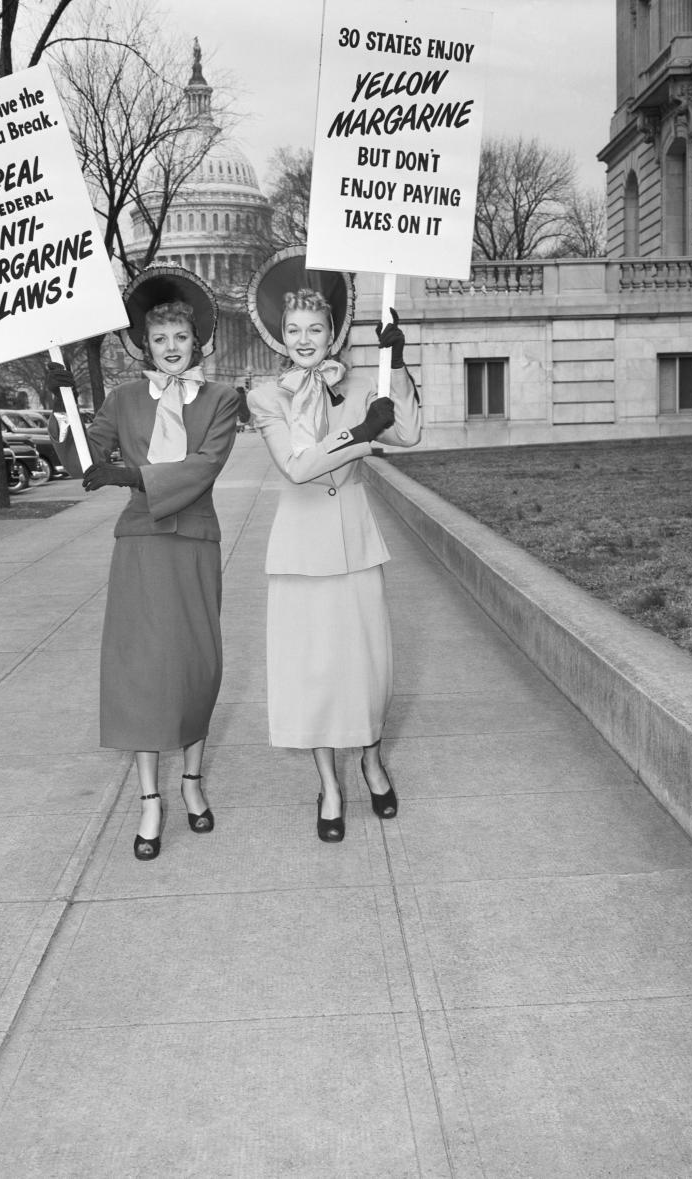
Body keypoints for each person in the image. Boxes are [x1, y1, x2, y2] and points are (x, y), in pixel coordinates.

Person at [46, 264, 239, 860]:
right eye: (160, 339)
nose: (172, 348)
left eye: (181, 337)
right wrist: (63, 403)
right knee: (141, 672)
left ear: (197, 341)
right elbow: (79, 456)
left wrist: (132, 473)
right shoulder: (124, 399)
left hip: (194, 542)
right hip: (140, 544)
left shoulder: (221, 399)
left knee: (194, 666)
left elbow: (204, 466)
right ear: (143, 347)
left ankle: (192, 781)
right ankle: (151, 799)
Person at [245, 247, 422, 842]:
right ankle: (328, 785)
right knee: (312, 673)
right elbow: (297, 468)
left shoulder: (357, 386)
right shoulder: (266, 397)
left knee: (364, 667)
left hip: (352, 545)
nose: (303, 338)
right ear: (279, 333)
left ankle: (371, 760)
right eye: (293, 329)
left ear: (332, 332)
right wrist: (357, 435)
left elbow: (409, 433)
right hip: (298, 553)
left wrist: (394, 364)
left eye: (314, 329)